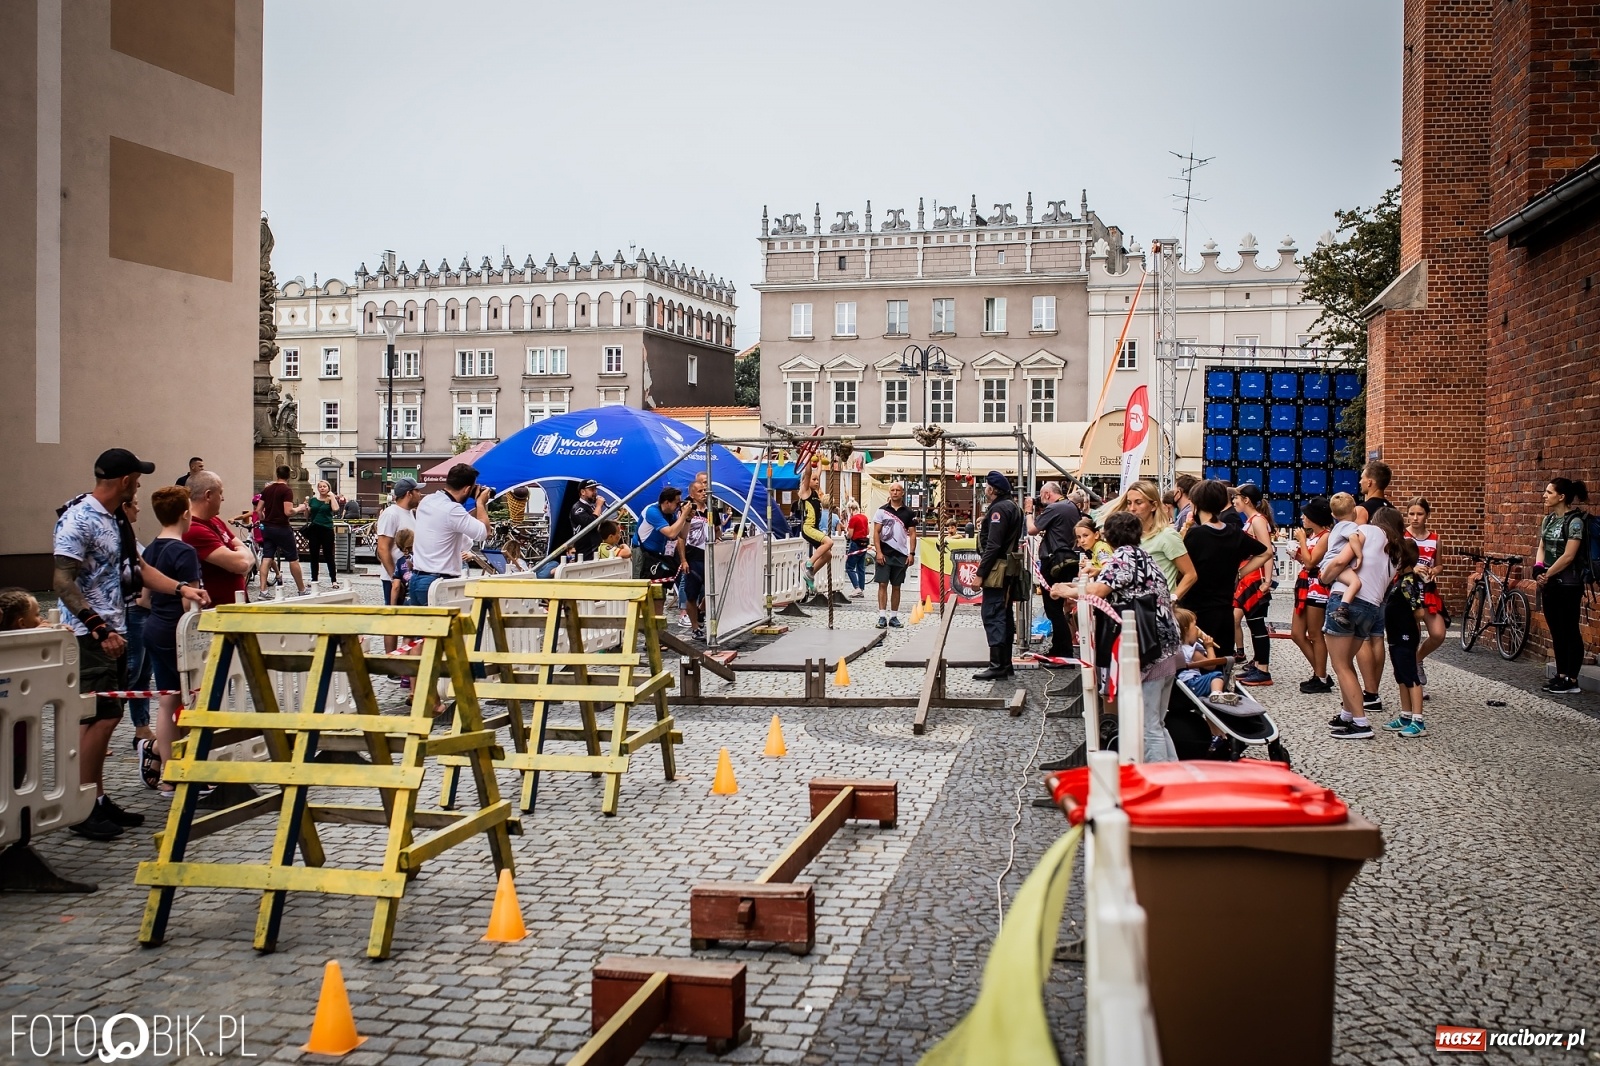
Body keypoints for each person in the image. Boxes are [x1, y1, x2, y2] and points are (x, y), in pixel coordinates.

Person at [52, 449, 207, 840]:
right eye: (137, 479)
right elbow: (61, 581)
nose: (140, 484)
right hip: (89, 636)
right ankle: (83, 806)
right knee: (98, 717)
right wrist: (97, 627)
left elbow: (139, 569)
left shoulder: (116, 519)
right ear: (124, 481)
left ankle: (98, 799)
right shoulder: (78, 518)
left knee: (109, 715)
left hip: (117, 630)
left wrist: (181, 588)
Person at [1051, 511, 1184, 761]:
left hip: (1148, 647)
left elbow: (1100, 590)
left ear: (1108, 536)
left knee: (1147, 726)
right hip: (1166, 643)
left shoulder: (1122, 557)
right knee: (1157, 723)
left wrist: (1064, 589)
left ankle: (1157, 786)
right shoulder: (1144, 556)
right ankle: (1172, 777)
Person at [139, 486, 204, 792]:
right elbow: (188, 604)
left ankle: (167, 774)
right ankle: (189, 766)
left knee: (166, 702)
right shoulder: (185, 551)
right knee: (192, 700)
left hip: (153, 627)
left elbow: (143, 599)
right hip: (177, 633)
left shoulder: (149, 549)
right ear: (185, 514)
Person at [1322, 505, 1402, 738]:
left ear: (1377, 520)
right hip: (1372, 608)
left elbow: (1340, 561)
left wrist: (1325, 576)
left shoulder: (1368, 530)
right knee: (1347, 663)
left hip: (1346, 601)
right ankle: (1348, 714)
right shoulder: (1396, 550)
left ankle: (1361, 723)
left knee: (1341, 666)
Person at [1177, 479, 1269, 660]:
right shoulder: (1234, 532)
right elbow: (1265, 552)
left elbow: (1182, 569)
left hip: (1197, 611)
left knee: (1197, 666)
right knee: (1222, 663)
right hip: (1225, 609)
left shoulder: (1196, 535)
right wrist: (1239, 573)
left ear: (1196, 504)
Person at [407, 463, 490, 606]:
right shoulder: (452, 510)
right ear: (467, 489)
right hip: (438, 583)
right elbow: (484, 533)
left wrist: (476, 507)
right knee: (443, 628)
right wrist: (481, 504)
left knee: (420, 628)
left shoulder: (427, 501)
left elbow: (461, 531)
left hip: (417, 579)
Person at [1535, 478, 1588, 694]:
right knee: (1556, 630)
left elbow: (1569, 556)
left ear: (1561, 496)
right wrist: (1538, 569)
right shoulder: (1547, 520)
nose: (1545, 495)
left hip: (1568, 585)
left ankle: (1572, 679)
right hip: (1549, 584)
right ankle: (1561, 674)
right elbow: (1541, 546)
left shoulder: (1575, 522)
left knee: (1569, 630)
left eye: (1549, 492)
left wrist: (1547, 573)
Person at [972, 472, 1023, 681]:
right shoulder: (1012, 506)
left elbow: (993, 544)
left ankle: (998, 665)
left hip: (998, 568)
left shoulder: (1000, 509)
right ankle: (1005, 663)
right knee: (1004, 614)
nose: (985, 490)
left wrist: (980, 573)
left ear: (992, 489)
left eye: (986, 487)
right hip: (1007, 566)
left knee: (993, 614)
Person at [1111, 480, 1197, 602]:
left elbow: (1190, 574)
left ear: (1154, 506)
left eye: (1138, 503)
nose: (1132, 508)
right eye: (1129, 503)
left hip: (1158, 610)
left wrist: (1172, 599)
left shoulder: (1167, 535)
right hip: (1134, 606)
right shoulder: (1129, 536)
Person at [1025, 481, 1081, 658]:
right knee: (1059, 605)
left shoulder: (1054, 508)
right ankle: (1060, 646)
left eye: (1042, 497)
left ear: (1048, 494)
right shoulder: (1071, 506)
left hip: (1054, 561)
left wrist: (1028, 512)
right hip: (1068, 559)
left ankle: (1063, 649)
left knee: (1052, 607)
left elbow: (1032, 530)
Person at [183, 470, 253, 608]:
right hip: (215, 612)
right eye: (220, 493)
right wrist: (241, 553)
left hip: (232, 609)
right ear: (208, 495)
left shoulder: (215, 521)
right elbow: (242, 563)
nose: (223, 498)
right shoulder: (193, 529)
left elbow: (247, 561)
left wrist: (242, 556)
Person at [1383, 539, 1429, 737]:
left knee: (1410, 676)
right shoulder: (1399, 581)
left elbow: (1419, 612)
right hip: (1395, 635)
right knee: (1401, 676)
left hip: (1405, 635)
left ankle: (1418, 721)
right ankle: (1405, 715)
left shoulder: (1408, 582)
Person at [121, 492, 156, 747]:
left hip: (142, 609)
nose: (139, 509)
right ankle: (97, 722)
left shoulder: (130, 538)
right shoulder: (120, 537)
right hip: (133, 610)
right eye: (135, 504)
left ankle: (141, 727)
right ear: (125, 507)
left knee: (143, 673)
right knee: (131, 672)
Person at [1232, 483, 1276, 686]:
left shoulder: (1257, 520)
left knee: (1257, 624)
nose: (1234, 502)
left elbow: (1267, 551)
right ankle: (1258, 664)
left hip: (1255, 577)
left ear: (1246, 500)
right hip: (1250, 575)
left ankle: (1263, 670)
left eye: (1237, 498)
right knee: (1252, 623)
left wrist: (1267, 581)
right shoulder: (1253, 519)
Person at [1291, 496, 1335, 693]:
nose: (1302, 517)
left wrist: (1301, 540)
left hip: (1317, 588)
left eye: (1306, 515)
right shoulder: (1314, 536)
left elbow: (1311, 563)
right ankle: (1321, 673)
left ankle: (1321, 676)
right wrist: (1298, 554)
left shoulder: (1326, 536)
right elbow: (1307, 561)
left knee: (1315, 634)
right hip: (1304, 585)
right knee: (1297, 634)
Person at [1405, 497, 1448, 693]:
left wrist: (1435, 571)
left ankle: (1417, 660)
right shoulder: (1402, 536)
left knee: (1438, 634)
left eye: (1419, 514)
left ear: (1427, 516)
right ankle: (1413, 683)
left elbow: (1439, 564)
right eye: (1411, 514)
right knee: (1414, 635)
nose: (1415, 518)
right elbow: (1394, 564)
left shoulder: (1435, 538)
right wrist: (1412, 567)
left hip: (1428, 591)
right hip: (1408, 591)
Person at [376, 477, 421, 650]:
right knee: (393, 619)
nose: (420, 494)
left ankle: (403, 660)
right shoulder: (391, 513)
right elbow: (383, 548)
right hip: (395, 577)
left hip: (407, 574)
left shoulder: (410, 513)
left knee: (406, 620)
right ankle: (391, 662)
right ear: (409, 494)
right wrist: (394, 576)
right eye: (417, 491)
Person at [872, 481, 919, 629]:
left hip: (900, 554)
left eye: (898, 490)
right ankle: (881, 616)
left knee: (897, 586)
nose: (895, 492)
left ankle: (894, 616)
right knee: (882, 584)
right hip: (884, 554)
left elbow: (912, 535)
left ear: (903, 493)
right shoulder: (881, 511)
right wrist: (878, 551)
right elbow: (876, 532)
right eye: (892, 490)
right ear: (889, 492)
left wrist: (911, 553)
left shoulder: (909, 513)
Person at [1174, 608, 1240, 706]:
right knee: (1216, 675)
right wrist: (1209, 647)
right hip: (1192, 683)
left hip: (1182, 684)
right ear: (1186, 629)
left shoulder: (1176, 649)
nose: (1197, 630)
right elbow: (1211, 664)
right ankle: (1217, 693)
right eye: (1195, 626)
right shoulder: (1191, 651)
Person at [258, 465, 307, 596]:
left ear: (277, 474)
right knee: (293, 558)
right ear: (289, 476)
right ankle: (301, 589)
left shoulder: (267, 489)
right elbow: (288, 511)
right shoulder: (286, 490)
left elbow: (258, 510)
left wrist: (264, 519)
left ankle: (263, 590)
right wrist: (300, 508)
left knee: (267, 558)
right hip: (282, 528)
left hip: (267, 528)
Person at [1323, 493, 1365, 624]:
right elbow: (1353, 538)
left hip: (1327, 562)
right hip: (1335, 562)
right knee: (1356, 583)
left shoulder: (1336, 527)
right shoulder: (1350, 525)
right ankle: (1342, 608)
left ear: (1333, 515)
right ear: (1354, 510)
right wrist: (1359, 555)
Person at [635, 486, 688, 583]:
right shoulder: (652, 511)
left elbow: (682, 535)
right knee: (642, 588)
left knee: (659, 590)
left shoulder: (670, 514)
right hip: (643, 552)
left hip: (657, 555)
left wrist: (688, 519)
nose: (679, 506)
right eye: (677, 503)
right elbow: (671, 533)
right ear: (667, 502)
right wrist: (684, 515)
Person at [796, 460, 833, 593]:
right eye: (814, 480)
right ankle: (808, 564)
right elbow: (808, 473)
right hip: (808, 527)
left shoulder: (816, 493)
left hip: (814, 528)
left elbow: (817, 472)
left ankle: (810, 574)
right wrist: (808, 459)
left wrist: (819, 458)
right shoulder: (805, 492)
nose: (817, 482)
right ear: (807, 481)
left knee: (828, 555)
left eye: (818, 480)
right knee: (829, 542)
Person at [303, 480, 341, 588]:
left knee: (328, 555)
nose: (322, 488)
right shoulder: (313, 500)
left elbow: (336, 509)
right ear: (318, 489)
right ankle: (314, 578)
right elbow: (308, 515)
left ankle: (333, 580)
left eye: (325, 486)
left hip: (327, 529)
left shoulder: (330, 500)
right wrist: (306, 508)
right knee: (314, 555)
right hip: (314, 529)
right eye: (320, 487)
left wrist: (332, 497)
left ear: (328, 488)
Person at [569, 479, 604, 560]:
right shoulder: (578, 508)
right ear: (583, 492)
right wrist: (599, 506)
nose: (595, 492)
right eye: (592, 490)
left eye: (595, 489)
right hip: (586, 552)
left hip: (595, 549)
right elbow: (591, 523)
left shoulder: (591, 507)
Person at [843, 499, 869, 597]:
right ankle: (861, 589)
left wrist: (846, 535)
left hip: (856, 544)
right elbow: (867, 532)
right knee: (861, 567)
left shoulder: (853, 519)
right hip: (864, 544)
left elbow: (850, 534)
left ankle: (856, 587)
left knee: (849, 567)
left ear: (850, 509)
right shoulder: (864, 517)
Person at [389, 528, 415, 606]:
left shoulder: (400, 562)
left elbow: (396, 587)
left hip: (407, 601)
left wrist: (392, 607)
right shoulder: (421, 557)